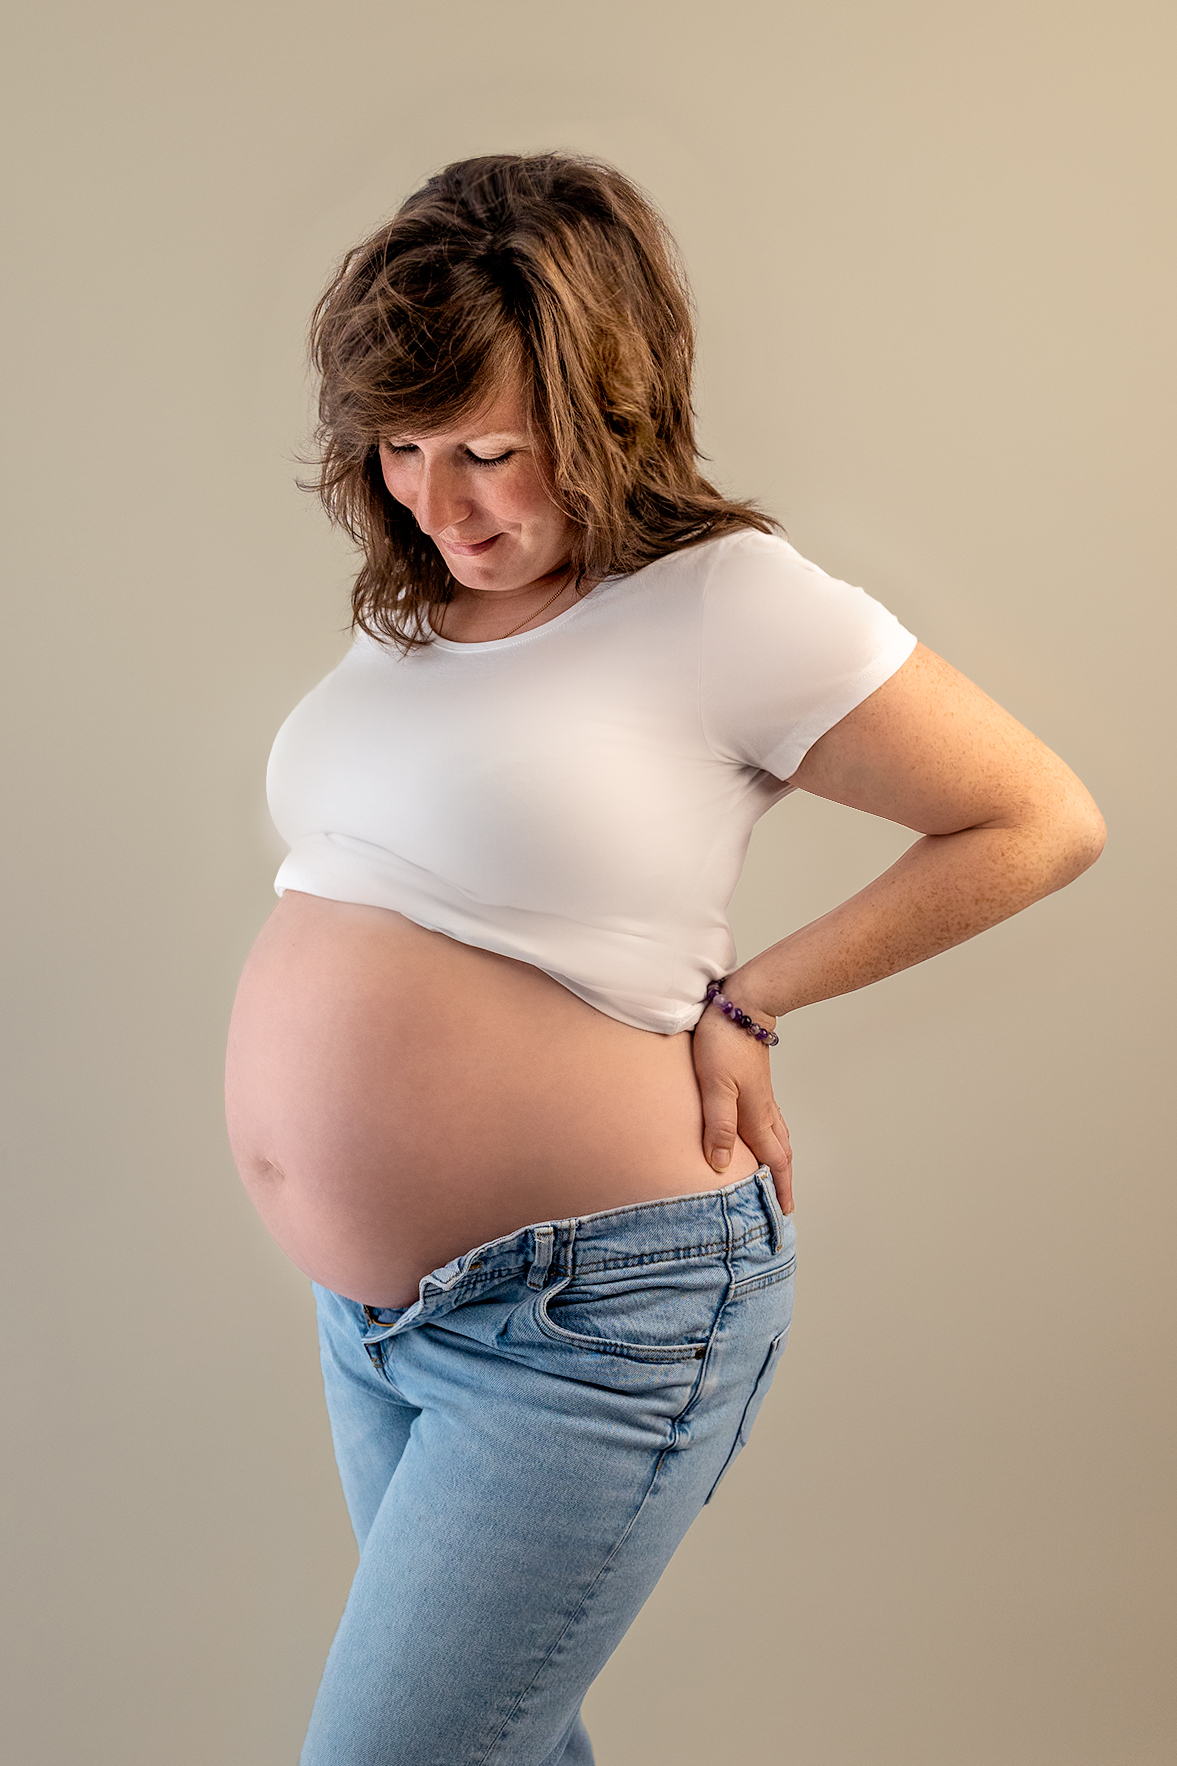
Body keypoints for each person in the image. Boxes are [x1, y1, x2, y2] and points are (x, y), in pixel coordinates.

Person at [224, 152, 1105, 1766]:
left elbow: (1034, 816)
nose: (435, 500)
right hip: (375, 1312)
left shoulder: (724, 603)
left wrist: (751, 997)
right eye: (401, 449)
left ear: (604, 404)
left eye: (485, 450)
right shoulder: (411, 614)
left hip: (591, 1315)